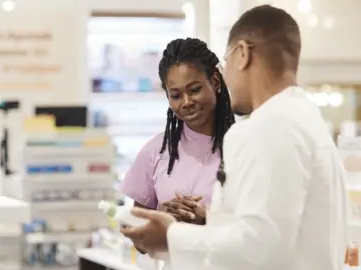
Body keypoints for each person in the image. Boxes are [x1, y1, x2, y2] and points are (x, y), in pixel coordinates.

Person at [121, 5, 348, 270]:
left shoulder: (265, 128)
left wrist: (173, 235)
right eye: (175, 94)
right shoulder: (308, 120)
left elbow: (257, 246)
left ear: (243, 54)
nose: (226, 77)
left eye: (225, 65)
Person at [120, 37, 234, 226]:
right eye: (176, 95)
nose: (187, 102)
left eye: (195, 90)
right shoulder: (155, 151)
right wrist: (160, 219)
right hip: (172, 257)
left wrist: (209, 220)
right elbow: (136, 233)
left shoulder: (243, 145)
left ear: (215, 82)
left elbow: (261, 231)